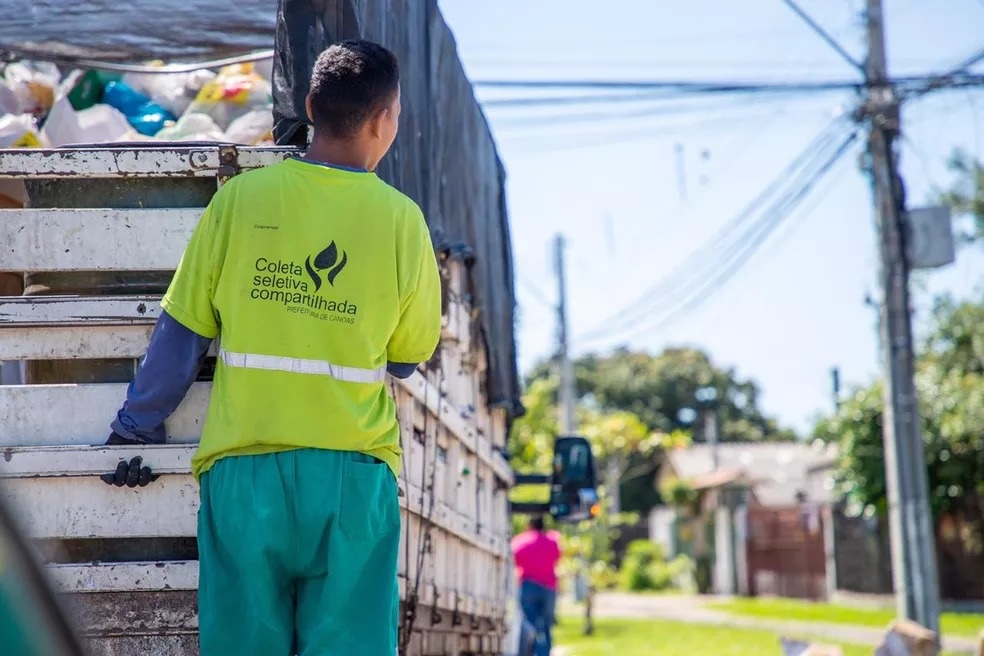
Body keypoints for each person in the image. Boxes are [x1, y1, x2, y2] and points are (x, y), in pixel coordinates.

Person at [100, 39, 442, 656]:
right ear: (386, 119)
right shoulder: (402, 221)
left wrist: (136, 425)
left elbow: (181, 332)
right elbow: (407, 356)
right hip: (351, 479)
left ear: (311, 105)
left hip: (244, 475)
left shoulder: (239, 200)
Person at [511, 516, 562, 656]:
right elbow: (557, 557)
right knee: (546, 624)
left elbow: (515, 559)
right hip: (549, 587)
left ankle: (528, 651)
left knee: (529, 622)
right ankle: (544, 652)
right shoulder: (552, 541)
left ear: (529, 525)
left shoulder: (521, 541)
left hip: (529, 585)